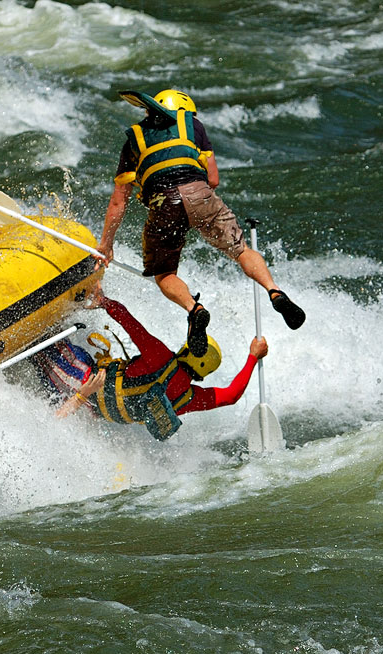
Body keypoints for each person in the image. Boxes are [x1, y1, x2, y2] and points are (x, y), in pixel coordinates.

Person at [96, 88, 305, 358]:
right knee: (242, 251)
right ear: (184, 112)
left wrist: (106, 245)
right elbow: (213, 179)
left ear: (150, 110)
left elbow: (118, 202)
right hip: (200, 194)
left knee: (165, 275)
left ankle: (194, 310)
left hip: (163, 203)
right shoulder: (193, 126)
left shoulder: (133, 140)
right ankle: (275, 291)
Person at [33, 285, 268, 441]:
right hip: (88, 409)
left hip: (80, 378)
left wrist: (104, 301)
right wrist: (253, 358)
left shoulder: (161, 358)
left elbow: (129, 322)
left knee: (37, 341)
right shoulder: (187, 399)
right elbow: (231, 396)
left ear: (188, 350)